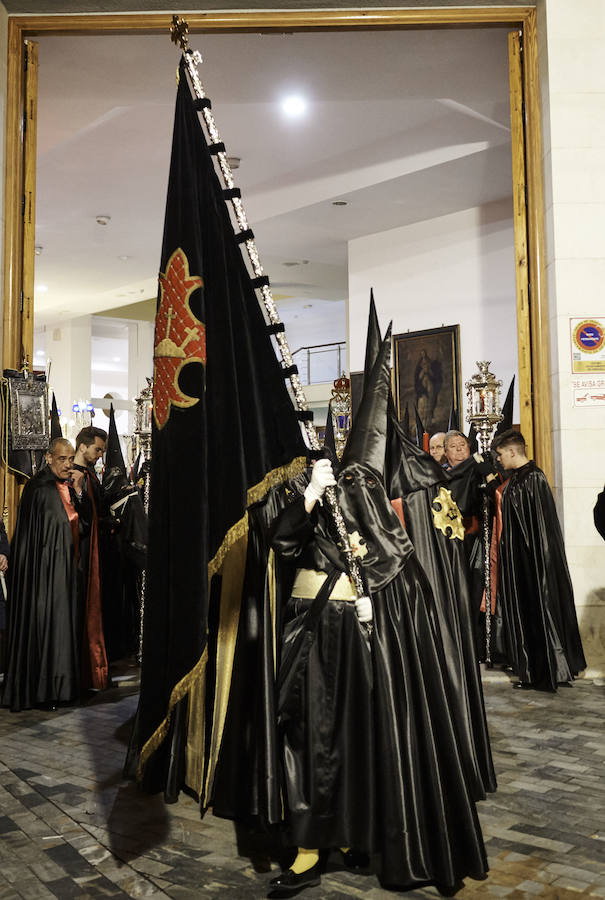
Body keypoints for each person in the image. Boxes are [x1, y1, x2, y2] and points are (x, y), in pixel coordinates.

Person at [268, 335, 487, 894]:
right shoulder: (317, 489)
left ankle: (354, 832)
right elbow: (282, 544)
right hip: (313, 632)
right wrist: (310, 498)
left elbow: (394, 558)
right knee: (311, 737)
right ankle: (309, 845)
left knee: (361, 737)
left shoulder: (370, 498)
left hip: (362, 634)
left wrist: (376, 597)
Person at [491, 429, 586, 690]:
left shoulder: (532, 479)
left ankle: (545, 672)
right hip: (524, 561)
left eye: (500, 454)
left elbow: (538, 529)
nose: (498, 459)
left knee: (540, 610)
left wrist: (531, 562)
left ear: (512, 451)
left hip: (533, 562)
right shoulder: (518, 479)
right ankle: (544, 670)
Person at [2, 438, 91, 711]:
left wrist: (78, 493)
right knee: (46, 628)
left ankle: (62, 688)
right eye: (62, 459)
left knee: (63, 628)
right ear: (49, 458)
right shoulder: (38, 489)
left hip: (65, 574)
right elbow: (36, 538)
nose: (67, 464)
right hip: (42, 578)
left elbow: (80, 526)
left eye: (70, 459)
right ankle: (44, 691)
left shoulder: (66, 487)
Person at [73, 425, 109, 690]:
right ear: (82, 446)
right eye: (97, 449)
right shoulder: (73, 476)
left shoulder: (89, 475)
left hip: (94, 550)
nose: (99, 455)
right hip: (81, 552)